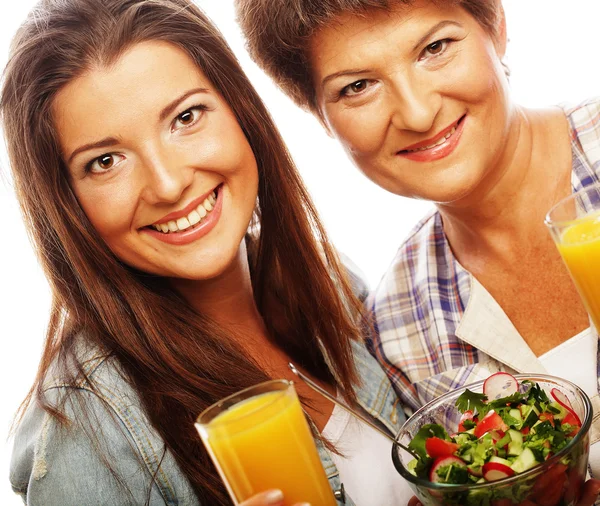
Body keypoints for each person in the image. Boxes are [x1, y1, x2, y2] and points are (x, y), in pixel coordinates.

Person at [2, 0, 412, 504]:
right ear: (67, 203)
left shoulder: (329, 280)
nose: (169, 184)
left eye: (186, 117)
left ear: (241, 111)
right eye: (106, 161)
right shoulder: (88, 431)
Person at [235, 0, 600, 501]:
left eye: (435, 48)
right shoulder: (395, 329)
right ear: (320, 118)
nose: (417, 111)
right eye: (357, 87)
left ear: (495, 24)